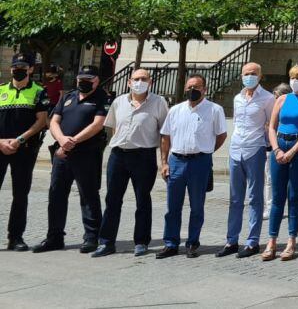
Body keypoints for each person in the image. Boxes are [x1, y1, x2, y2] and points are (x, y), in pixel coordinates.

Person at [93, 69, 169, 258]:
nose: (139, 82)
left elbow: (165, 133)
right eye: (136, 79)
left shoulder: (159, 103)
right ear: (128, 82)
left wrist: (164, 161)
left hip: (144, 156)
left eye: (143, 79)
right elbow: (112, 127)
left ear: (150, 82)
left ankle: (141, 242)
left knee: (142, 199)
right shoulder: (119, 101)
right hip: (118, 156)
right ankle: (106, 242)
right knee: (112, 199)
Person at [34, 65, 108, 254]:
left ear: (96, 80)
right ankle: (54, 237)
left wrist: (73, 141)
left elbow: (98, 124)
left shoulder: (102, 98)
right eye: (80, 79)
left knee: (88, 195)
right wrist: (61, 140)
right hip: (62, 154)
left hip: (87, 154)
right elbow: (54, 121)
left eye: (88, 79)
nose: (83, 82)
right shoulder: (68, 97)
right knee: (56, 195)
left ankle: (91, 237)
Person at [156, 74, 227, 259]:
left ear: (204, 89)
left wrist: (207, 150)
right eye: (189, 87)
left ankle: (192, 243)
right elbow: (165, 137)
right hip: (176, 161)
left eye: (196, 87)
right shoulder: (176, 110)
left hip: (200, 162)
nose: (192, 90)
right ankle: (170, 243)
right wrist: (164, 162)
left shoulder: (214, 110)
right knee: (173, 206)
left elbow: (221, 135)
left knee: (197, 206)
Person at [216, 63, 276, 259]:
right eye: (246, 74)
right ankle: (231, 240)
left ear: (260, 76)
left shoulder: (267, 98)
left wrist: (268, 146)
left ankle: (252, 241)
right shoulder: (237, 98)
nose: (249, 77)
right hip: (235, 150)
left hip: (255, 149)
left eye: (253, 74)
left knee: (255, 198)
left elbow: (271, 125)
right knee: (235, 198)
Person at [262, 65, 298, 261]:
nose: (295, 81)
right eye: (293, 77)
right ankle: (271, 241)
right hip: (280, 144)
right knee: (277, 197)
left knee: (294, 195)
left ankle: (291, 240)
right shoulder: (282, 99)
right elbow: (271, 126)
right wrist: (277, 149)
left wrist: (293, 151)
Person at [0, 53, 48, 252]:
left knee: (20, 194)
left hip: (24, 149)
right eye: (15, 66)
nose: (18, 70)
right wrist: (1, 142)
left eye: (23, 66)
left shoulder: (39, 92)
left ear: (30, 69)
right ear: (11, 69)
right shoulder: (1, 90)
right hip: (0, 147)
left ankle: (16, 237)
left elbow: (41, 121)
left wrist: (19, 140)